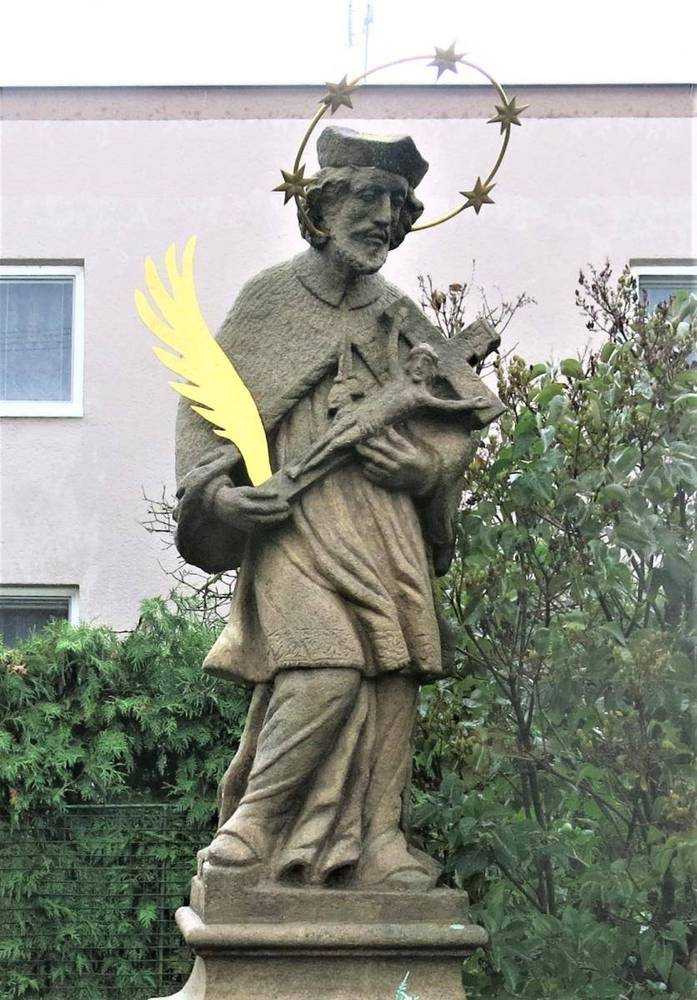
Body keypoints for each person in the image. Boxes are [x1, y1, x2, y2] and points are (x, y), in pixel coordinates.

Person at [174, 126, 504, 888]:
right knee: (321, 666)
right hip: (294, 526)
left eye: (399, 207)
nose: (385, 219)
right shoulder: (269, 302)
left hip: (385, 526)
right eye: (369, 199)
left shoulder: (401, 318)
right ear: (320, 210)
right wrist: (220, 495)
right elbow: (205, 411)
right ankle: (256, 823)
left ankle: (379, 838)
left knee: (390, 675)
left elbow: (454, 427)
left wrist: (425, 469)